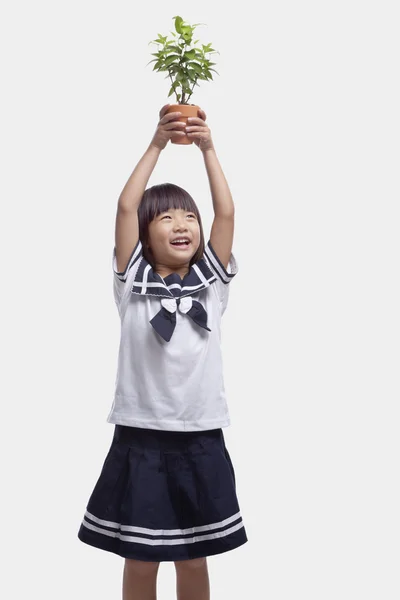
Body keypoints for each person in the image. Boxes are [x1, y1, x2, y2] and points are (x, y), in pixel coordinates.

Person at [77, 104, 248, 600]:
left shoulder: (210, 284)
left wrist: (208, 149)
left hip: (200, 435)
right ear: (146, 238)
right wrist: (157, 143)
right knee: (140, 556)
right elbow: (126, 207)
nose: (183, 224)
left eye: (189, 216)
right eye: (167, 217)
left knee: (194, 555)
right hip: (141, 436)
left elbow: (228, 213)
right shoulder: (133, 283)